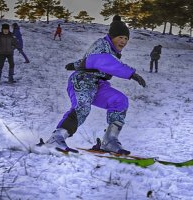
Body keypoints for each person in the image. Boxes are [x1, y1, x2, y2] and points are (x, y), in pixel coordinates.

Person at [45, 17, 146, 154]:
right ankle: (56, 138)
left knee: (120, 100)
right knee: (83, 107)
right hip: (82, 81)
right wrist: (131, 73)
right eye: (120, 37)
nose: (123, 41)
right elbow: (102, 61)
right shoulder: (101, 44)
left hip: (97, 85)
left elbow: (88, 61)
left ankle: (109, 140)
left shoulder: (110, 49)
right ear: (112, 36)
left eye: (126, 39)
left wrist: (74, 64)